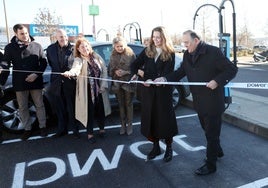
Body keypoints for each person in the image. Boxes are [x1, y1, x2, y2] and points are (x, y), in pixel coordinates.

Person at [155, 30, 238, 175]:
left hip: (213, 101)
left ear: (196, 41)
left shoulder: (213, 52)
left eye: (187, 42)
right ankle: (217, 150)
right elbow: (181, 72)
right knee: (206, 130)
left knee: (211, 134)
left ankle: (210, 165)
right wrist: (165, 79)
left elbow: (231, 69)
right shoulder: (187, 55)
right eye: (183, 42)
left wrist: (217, 81)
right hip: (199, 101)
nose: (184, 45)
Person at [131, 26, 178, 162]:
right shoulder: (147, 51)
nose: (155, 40)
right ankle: (155, 146)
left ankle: (169, 148)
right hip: (149, 92)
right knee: (151, 119)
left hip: (163, 93)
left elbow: (167, 73)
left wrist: (159, 79)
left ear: (164, 38)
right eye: (154, 36)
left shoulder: (170, 53)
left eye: (158, 37)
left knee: (165, 120)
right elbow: (134, 65)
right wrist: (142, 75)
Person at [0, 24, 48, 140]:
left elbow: (43, 62)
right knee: (22, 107)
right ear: (16, 34)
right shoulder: (10, 48)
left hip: (35, 81)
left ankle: (43, 127)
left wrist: (36, 74)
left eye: (26, 33)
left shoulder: (37, 45)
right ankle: (27, 129)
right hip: (20, 83)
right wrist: (1, 80)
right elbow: (6, 64)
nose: (25, 35)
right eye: (22, 34)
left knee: (39, 105)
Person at [62, 37, 111, 143]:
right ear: (78, 49)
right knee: (89, 112)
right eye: (82, 47)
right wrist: (70, 73)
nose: (85, 48)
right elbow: (76, 68)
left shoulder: (96, 56)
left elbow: (104, 71)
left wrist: (103, 84)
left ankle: (102, 130)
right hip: (87, 90)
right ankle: (90, 134)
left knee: (101, 110)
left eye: (86, 46)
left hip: (99, 88)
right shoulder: (78, 59)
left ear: (89, 46)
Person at [46, 29, 80, 139]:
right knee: (59, 109)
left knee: (72, 108)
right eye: (60, 36)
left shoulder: (74, 48)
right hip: (56, 83)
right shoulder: (50, 49)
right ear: (56, 37)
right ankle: (62, 130)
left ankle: (75, 130)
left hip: (70, 82)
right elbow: (51, 63)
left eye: (65, 36)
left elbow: (78, 64)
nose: (63, 38)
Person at [109, 36, 136, 135]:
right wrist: (115, 71)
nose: (120, 48)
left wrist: (126, 72)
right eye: (117, 46)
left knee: (128, 103)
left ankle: (130, 124)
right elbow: (110, 69)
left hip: (128, 82)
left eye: (121, 46)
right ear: (114, 47)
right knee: (120, 104)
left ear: (125, 45)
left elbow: (135, 68)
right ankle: (122, 125)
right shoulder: (112, 55)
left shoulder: (130, 54)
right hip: (117, 83)